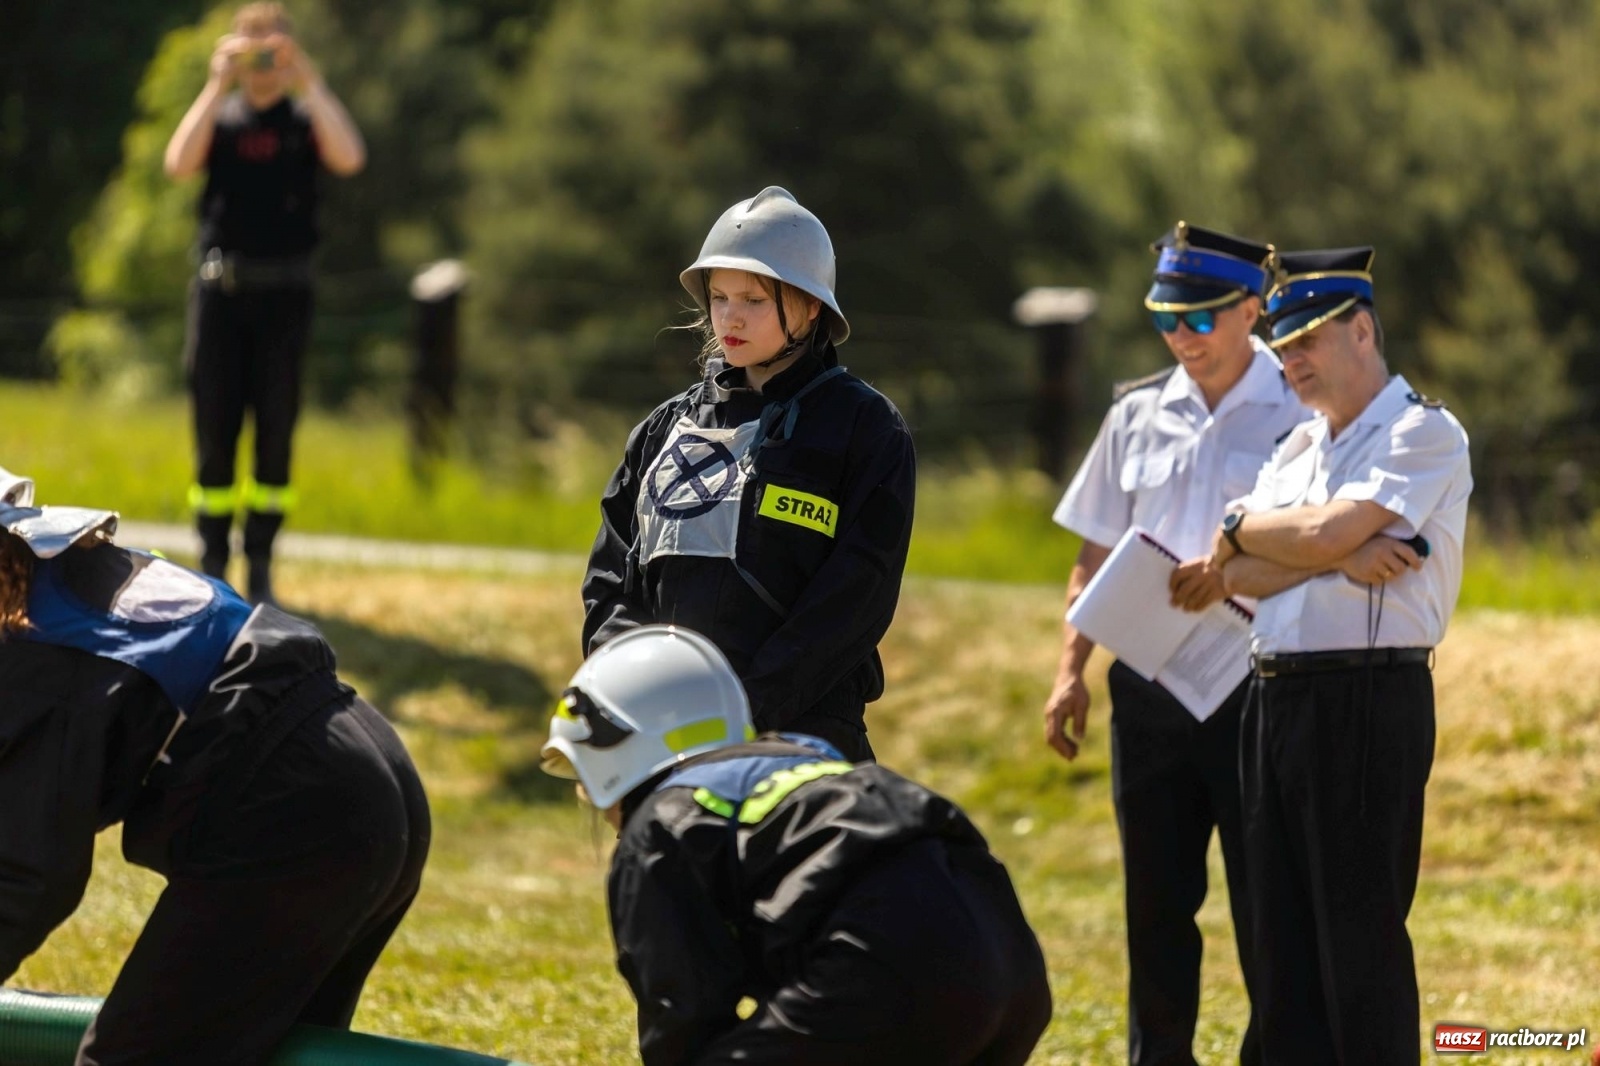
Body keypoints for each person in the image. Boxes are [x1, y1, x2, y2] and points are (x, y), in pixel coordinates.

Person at [0, 465, 429, 1066]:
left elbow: (23, 876)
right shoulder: (61, 581)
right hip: (360, 775)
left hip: (298, 815)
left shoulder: (36, 650)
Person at [541, 624, 1052, 1066]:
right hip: (1010, 965)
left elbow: (682, 1020)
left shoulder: (661, 825)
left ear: (610, 757)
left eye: (584, 782)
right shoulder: (800, 758)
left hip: (883, 973)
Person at [1042, 223, 1309, 1066]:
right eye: (1167, 317)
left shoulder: (1303, 411)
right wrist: (1069, 674)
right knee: (1155, 901)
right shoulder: (1135, 412)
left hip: (1258, 682)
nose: (1180, 335)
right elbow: (1093, 553)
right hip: (1150, 686)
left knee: (1270, 899)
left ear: (1252, 311)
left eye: (1199, 317)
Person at [1210, 248, 1471, 1065]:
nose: (1290, 364)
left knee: (1357, 941)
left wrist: (1261, 532)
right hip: (1273, 697)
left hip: (1366, 698)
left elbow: (1290, 538)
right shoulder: (1297, 451)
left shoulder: (1421, 431)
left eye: (1307, 343)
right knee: (1276, 937)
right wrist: (1332, 552)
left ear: (1363, 331)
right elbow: (1234, 572)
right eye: (1281, 350)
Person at [582, 186, 916, 763]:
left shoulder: (866, 428)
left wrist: (743, 712)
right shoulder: (663, 428)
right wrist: (631, 694)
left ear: (812, 308)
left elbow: (855, 601)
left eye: (755, 300)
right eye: (719, 297)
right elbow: (610, 583)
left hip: (801, 740)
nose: (730, 316)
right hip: (665, 739)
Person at [163, 1, 367, 606]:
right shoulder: (220, 120)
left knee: (276, 432)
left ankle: (261, 561)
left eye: (272, 48)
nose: (262, 61)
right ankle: (212, 560)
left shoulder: (306, 122)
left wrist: (311, 82)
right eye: (250, 47)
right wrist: (213, 84)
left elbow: (350, 157)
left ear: (290, 52)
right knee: (214, 430)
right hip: (220, 295)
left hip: (286, 298)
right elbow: (177, 164)